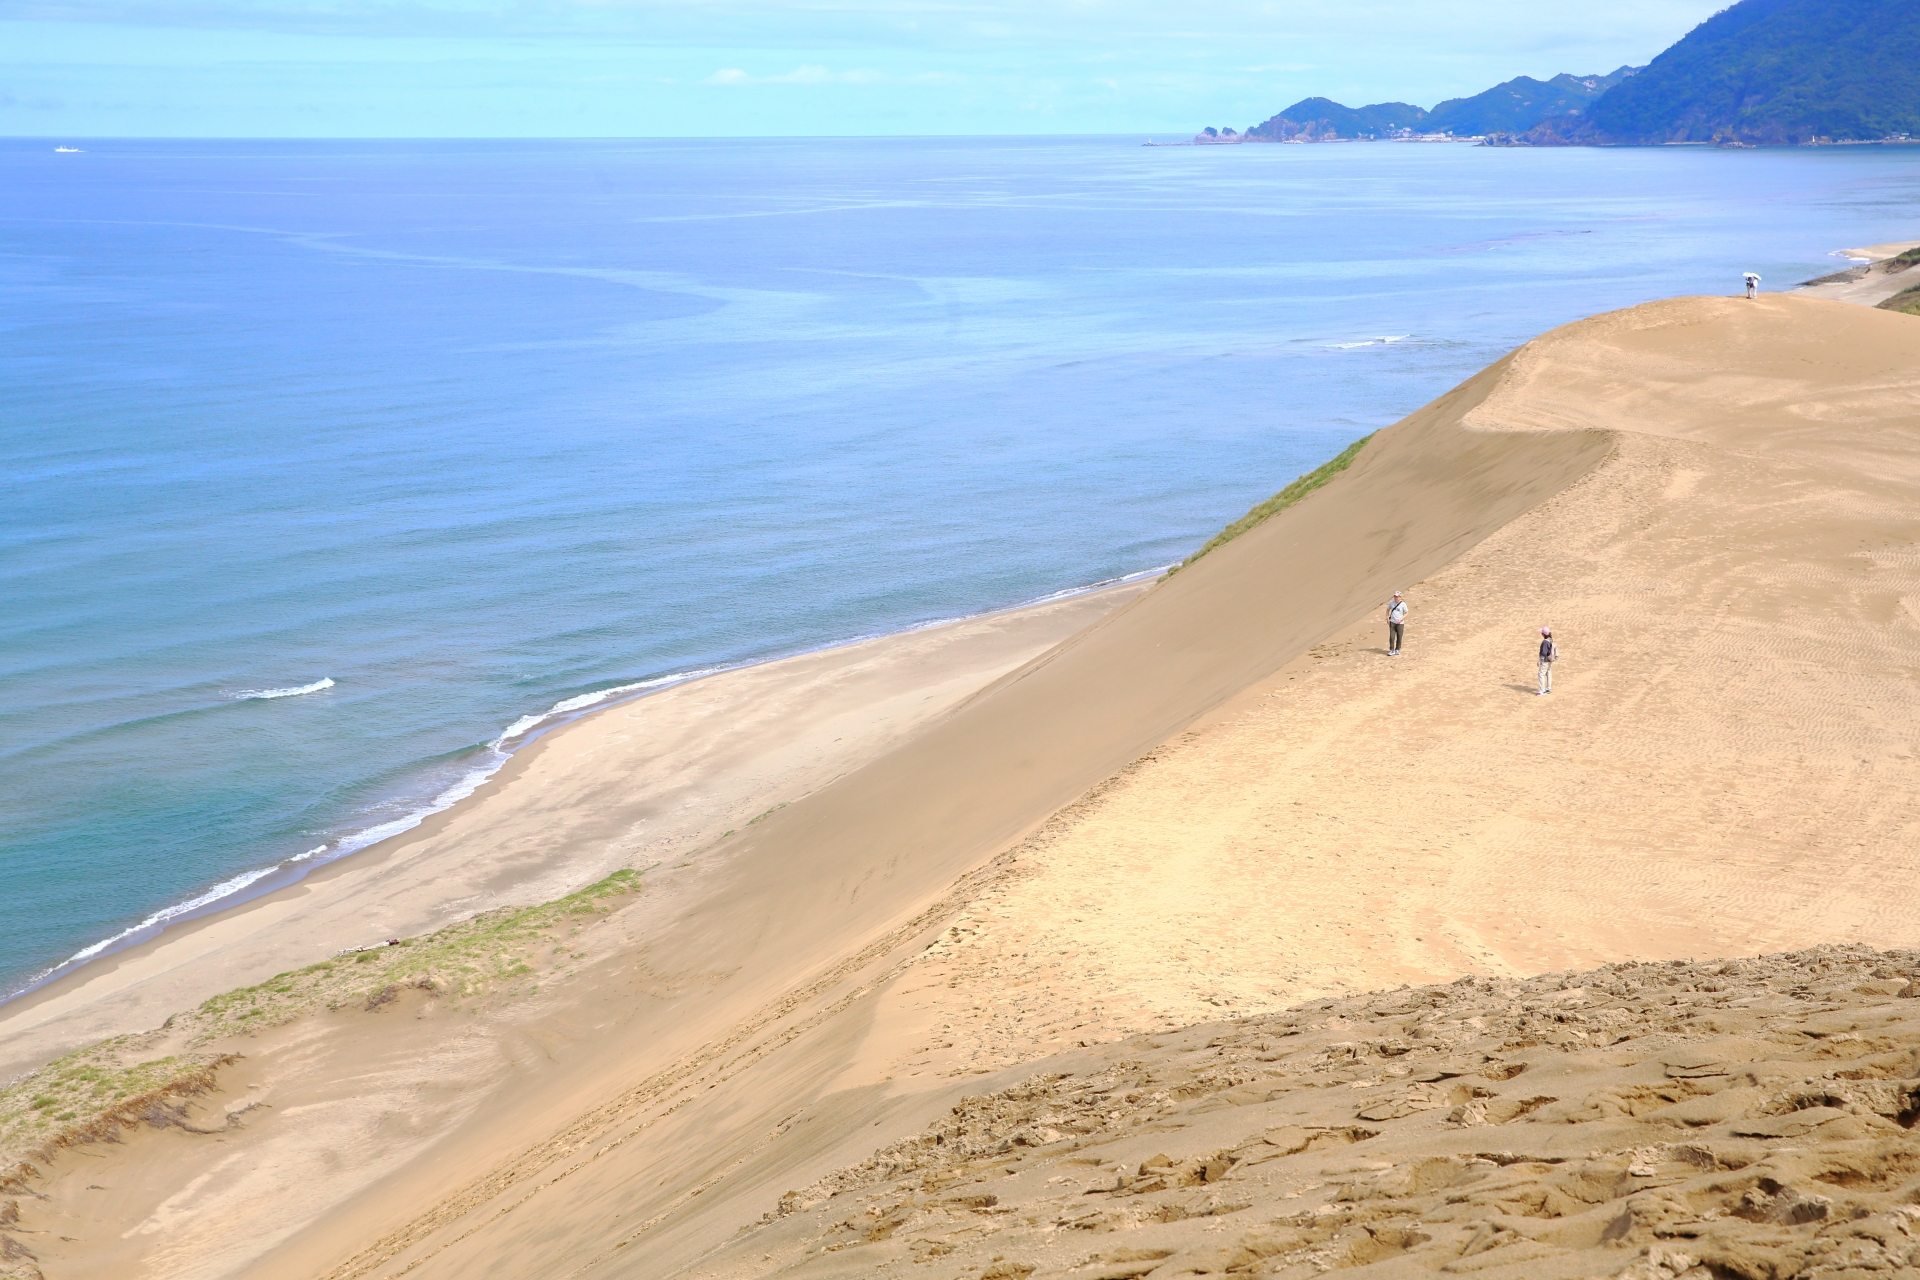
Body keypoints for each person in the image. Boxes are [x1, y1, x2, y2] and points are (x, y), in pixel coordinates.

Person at [1537, 627, 1558, 695]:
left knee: (1541, 674)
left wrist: (1539, 660)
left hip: (1545, 661)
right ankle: (1548, 688)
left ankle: (1542, 690)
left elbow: (1543, 653)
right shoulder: (1550, 640)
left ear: (1543, 634)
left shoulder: (1545, 642)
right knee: (1548, 672)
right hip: (1549, 660)